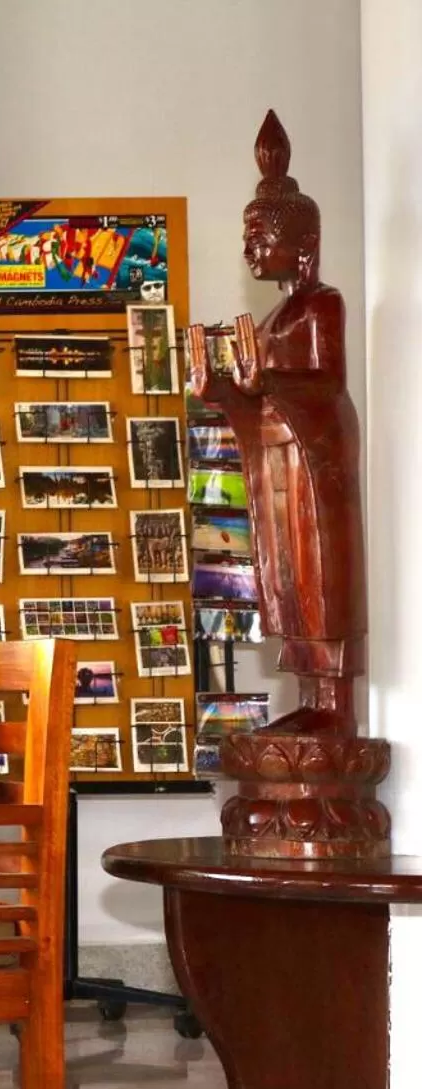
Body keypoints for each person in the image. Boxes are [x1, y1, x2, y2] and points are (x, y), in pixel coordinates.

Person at [188, 110, 366, 736]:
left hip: (316, 462)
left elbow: (328, 382)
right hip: (279, 463)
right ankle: (309, 699)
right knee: (286, 574)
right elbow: (253, 402)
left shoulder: (323, 305)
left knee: (321, 574)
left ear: (305, 243)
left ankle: (333, 707)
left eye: (261, 235)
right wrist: (220, 391)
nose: (250, 249)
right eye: (249, 236)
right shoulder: (270, 320)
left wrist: (266, 378)